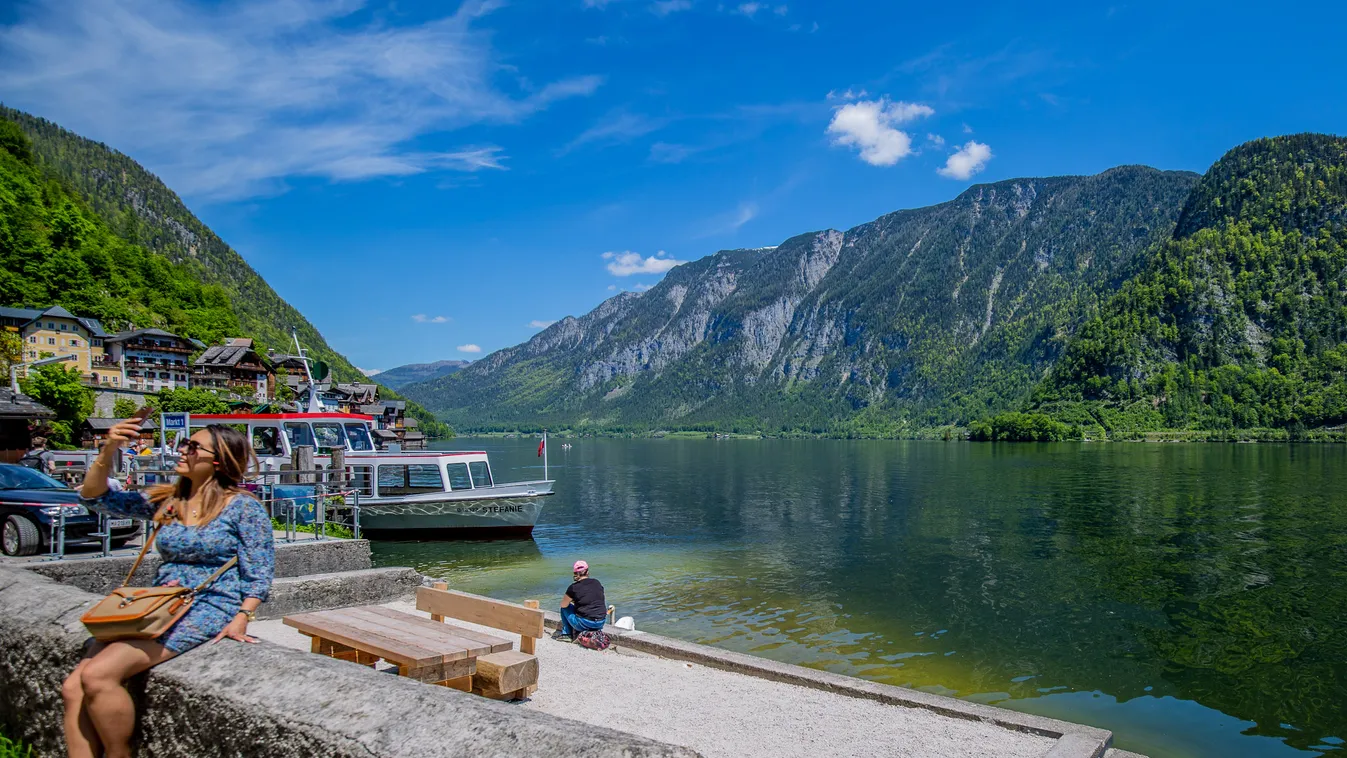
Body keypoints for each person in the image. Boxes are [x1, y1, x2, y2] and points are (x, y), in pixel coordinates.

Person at [63, 421, 275, 758]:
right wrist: (109, 450)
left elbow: (259, 569)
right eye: (183, 444)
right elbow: (94, 497)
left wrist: (243, 615)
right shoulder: (167, 499)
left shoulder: (242, 507)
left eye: (192, 447)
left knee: (98, 676)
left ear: (218, 461)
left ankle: (118, 754)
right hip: (158, 603)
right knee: (73, 687)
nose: (182, 450)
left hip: (207, 605)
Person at [556, 560, 607, 641]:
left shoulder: (573, 588)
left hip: (584, 624)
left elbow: (563, 605)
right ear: (587, 572)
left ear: (575, 574)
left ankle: (567, 634)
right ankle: (594, 629)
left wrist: (574, 601)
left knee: (564, 608)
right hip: (601, 622)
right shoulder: (597, 582)